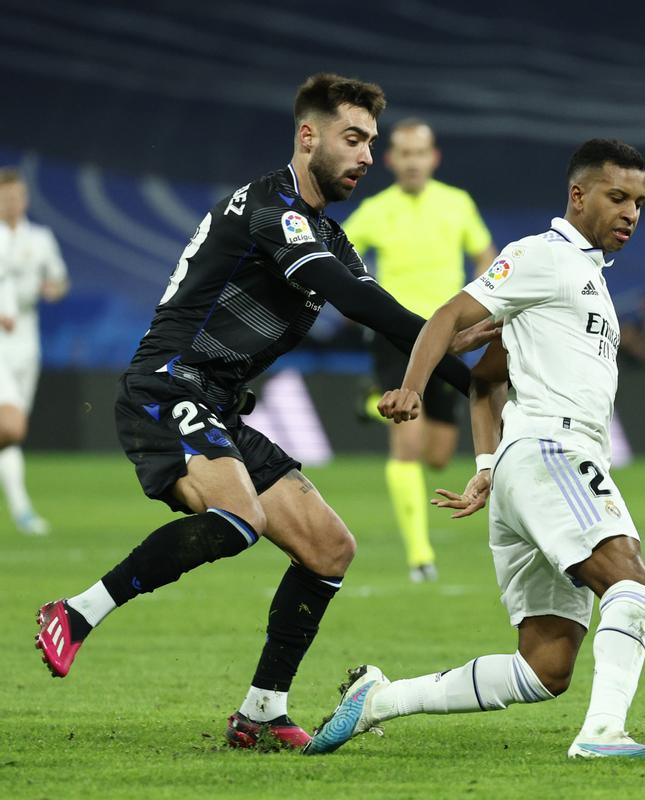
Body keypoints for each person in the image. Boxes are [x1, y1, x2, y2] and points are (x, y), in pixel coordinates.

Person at [33, 73, 497, 750]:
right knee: (240, 516)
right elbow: (362, 304)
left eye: (371, 141)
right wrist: (475, 381)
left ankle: (260, 710)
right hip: (168, 385)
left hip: (217, 404)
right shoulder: (271, 208)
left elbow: (396, 324)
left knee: (329, 548)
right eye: (353, 138)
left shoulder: (327, 235)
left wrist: (471, 381)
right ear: (308, 136)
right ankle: (76, 614)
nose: (368, 155)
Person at [303, 139, 645, 760]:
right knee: (630, 582)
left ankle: (380, 699)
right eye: (617, 197)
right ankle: (604, 734)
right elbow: (449, 313)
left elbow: (485, 378)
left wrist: (486, 468)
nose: (631, 213)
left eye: (639, 202)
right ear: (578, 195)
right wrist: (412, 388)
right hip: (553, 449)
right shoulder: (543, 256)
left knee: (546, 667)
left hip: (525, 463)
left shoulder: (585, 277)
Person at [342, 119, 496, 583]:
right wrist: (360, 299)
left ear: (433, 158)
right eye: (404, 153)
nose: (412, 162)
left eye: (420, 152)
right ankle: (420, 558)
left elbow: (486, 255)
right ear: (390, 160)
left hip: (447, 338)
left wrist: (484, 301)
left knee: (439, 456)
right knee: (407, 446)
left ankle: (372, 405)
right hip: (395, 336)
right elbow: (337, 253)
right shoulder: (374, 210)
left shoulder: (457, 203)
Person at [0, 168, 69, 535]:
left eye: (17, 196)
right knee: (12, 425)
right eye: (6, 197)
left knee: (10, 434)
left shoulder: (40, 238)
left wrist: (52, 288)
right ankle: (23, 510)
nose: (12, 203)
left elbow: (58, 278)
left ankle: (22, 511)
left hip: (27, 343)